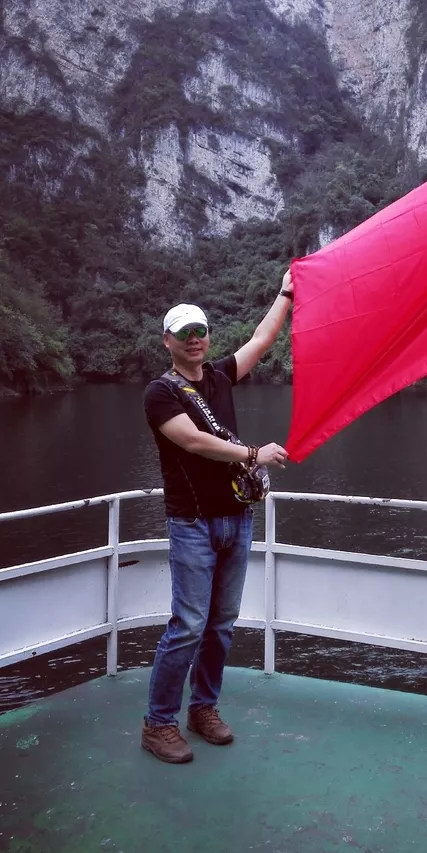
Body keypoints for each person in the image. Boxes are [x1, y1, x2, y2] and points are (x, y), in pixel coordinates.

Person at [141, 271, 293, 763]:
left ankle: (202, 708)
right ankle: (158, 723)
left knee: (222, 623)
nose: (194, 340)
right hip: (193, 523)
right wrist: (253, 452)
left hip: (237, 518)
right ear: (168, 341)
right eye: (183, 333)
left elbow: (263, 338)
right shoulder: (160, 393)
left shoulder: (221, 375)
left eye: (200, 331)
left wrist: (287, 291)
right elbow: (192, 441)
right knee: (187, 624)